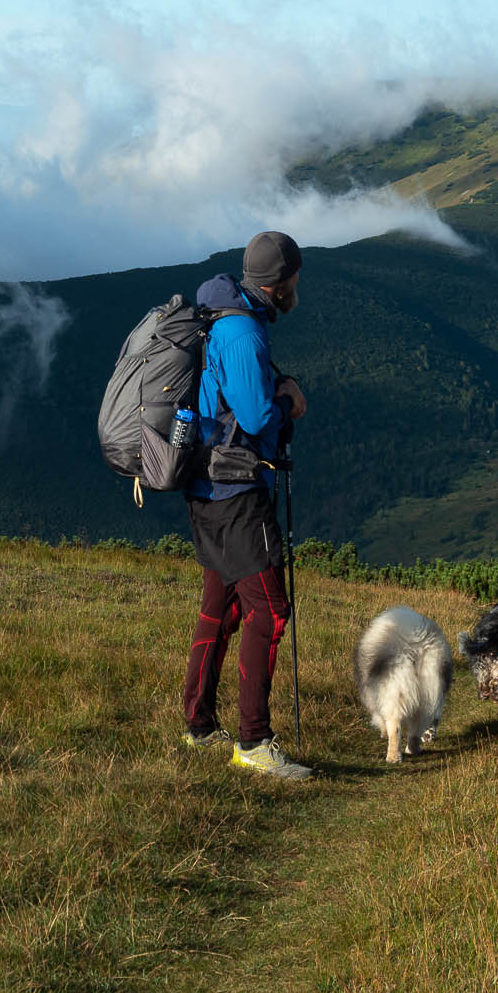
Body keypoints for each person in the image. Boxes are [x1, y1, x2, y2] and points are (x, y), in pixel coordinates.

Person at [179, 230, 312, 780]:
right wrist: (290, 403)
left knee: (223, 607)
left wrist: (276, 387)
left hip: (206, 489)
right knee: (270, 612)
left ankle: (199, 725)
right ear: (279, 284)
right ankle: (254, 742)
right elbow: (257, 420)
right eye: (295, 279)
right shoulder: (244, 334)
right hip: (237, 494)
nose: (296, 286)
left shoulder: (220, 316)